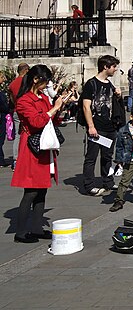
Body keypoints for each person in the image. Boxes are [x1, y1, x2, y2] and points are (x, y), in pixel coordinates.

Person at [11, 65, 69, 243]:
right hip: (32, 148)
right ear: (36, 79)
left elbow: (52, 119)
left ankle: (36, 227)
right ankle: (20, 232)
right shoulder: (24, 100)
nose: (47, 86)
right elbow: (37, 121)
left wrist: (60, 107)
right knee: (30, 191)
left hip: (44, 147)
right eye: (45, 81)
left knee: (42, 189)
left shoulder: (43, 97)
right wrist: (53, 108)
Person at [80, 55, 121, 196]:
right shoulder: (91, 84)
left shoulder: (109, 84)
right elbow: (86, 106)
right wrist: (91, 126)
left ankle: (108, 181)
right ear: (106, 66)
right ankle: (89, 185)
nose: (115, 69)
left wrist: (118, 94)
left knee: (107, 156)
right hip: (96, 127)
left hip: (110, 127)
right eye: (114, 66)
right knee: (91, 157)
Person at [8, 63, 29, 170]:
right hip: (27, 109)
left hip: (17, 109)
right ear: (25, 70)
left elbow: (11, 98)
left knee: (17, 135)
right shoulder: (26, 82)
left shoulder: (12, 84)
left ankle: (16, 159)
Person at [0, 72, 11, 167]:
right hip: (1, 117)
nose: (3, 80)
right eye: (2, 77)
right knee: (0, 138)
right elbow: (3, 106)